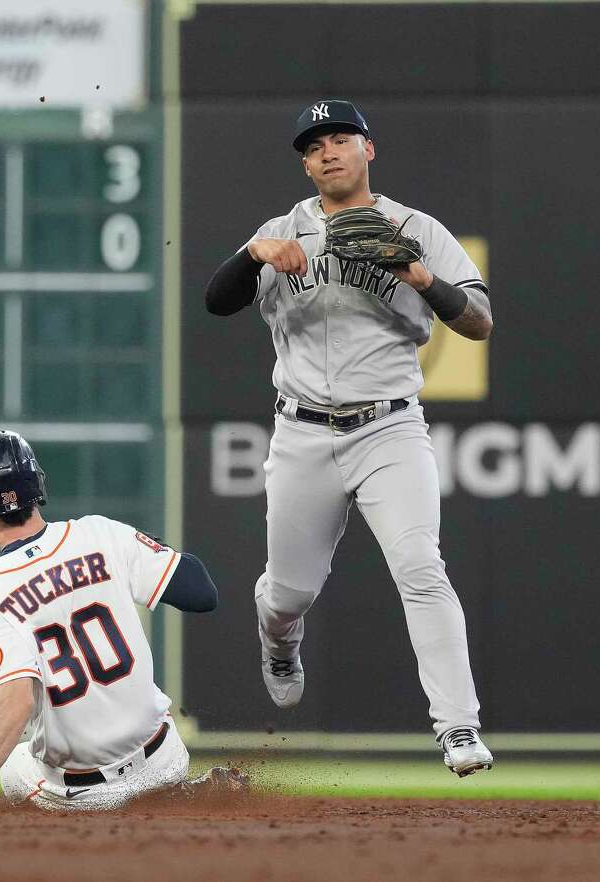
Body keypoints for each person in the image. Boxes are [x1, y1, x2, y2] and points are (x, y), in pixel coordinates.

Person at [203, 100, 494, 776]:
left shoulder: (416, 229)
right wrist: (250, 255)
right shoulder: (280, 233)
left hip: (390, 426)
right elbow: (217, 301)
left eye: (340, 138)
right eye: (314, 145)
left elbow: (479, 321)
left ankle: (457, 726)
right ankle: (281, 638)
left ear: (369, 149)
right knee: (289, 595)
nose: (327, 151)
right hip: (302, 432)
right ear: (305, 163)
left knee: (421, 566)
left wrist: (420, 276)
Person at [0, 429, 238, 812]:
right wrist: (143, 547)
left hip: (83, 797)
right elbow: (202, 593)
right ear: (37, 480)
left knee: (17, 764)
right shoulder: (101, 534)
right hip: (165, 762)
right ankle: (180, 794)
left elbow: (16, 695)